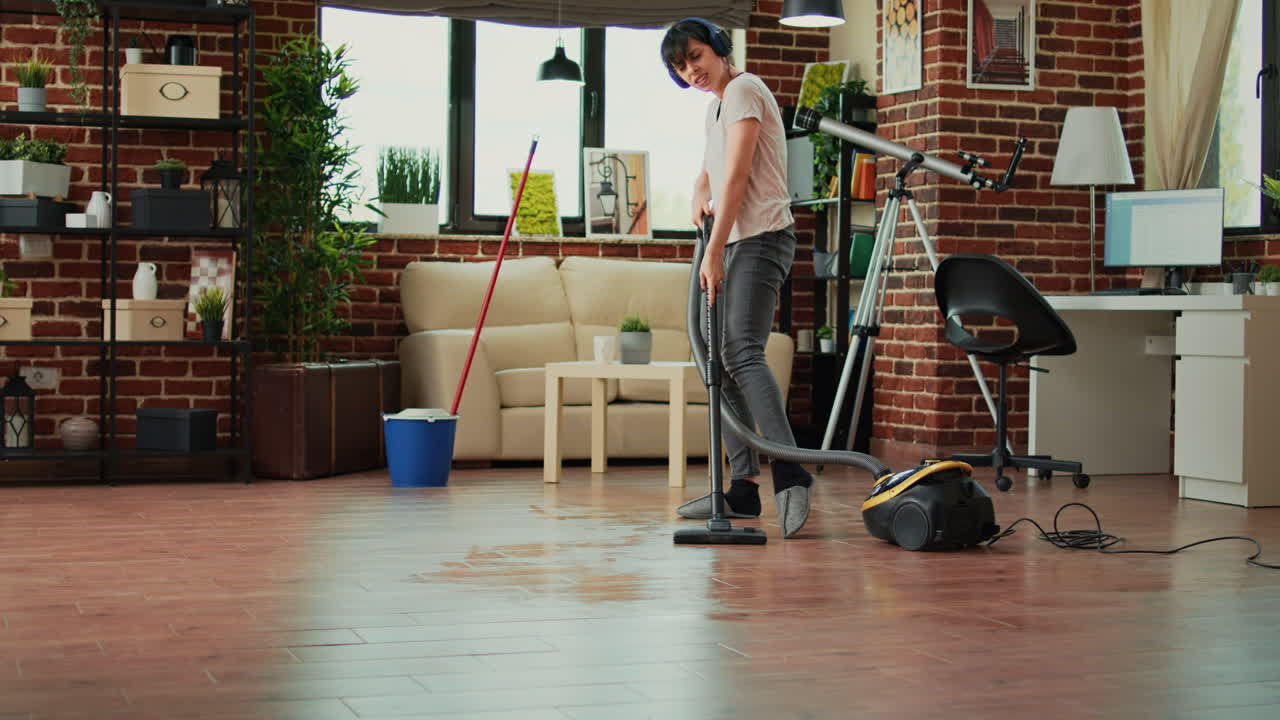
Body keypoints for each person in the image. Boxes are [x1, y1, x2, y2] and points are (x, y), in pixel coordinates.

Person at [661, 18, 814, 538]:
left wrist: (714, 250)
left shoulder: (745, 88)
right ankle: (744, 489)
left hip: (761, 236)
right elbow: (715, 165)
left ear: (720, 49)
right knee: (712, 354)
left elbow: (740, 173)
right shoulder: (718, 106)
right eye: (682, 66)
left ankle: (792, 475)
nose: (692, 70)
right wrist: (695, 189)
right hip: (733, 236)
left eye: (697, 56)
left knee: (741, 350)